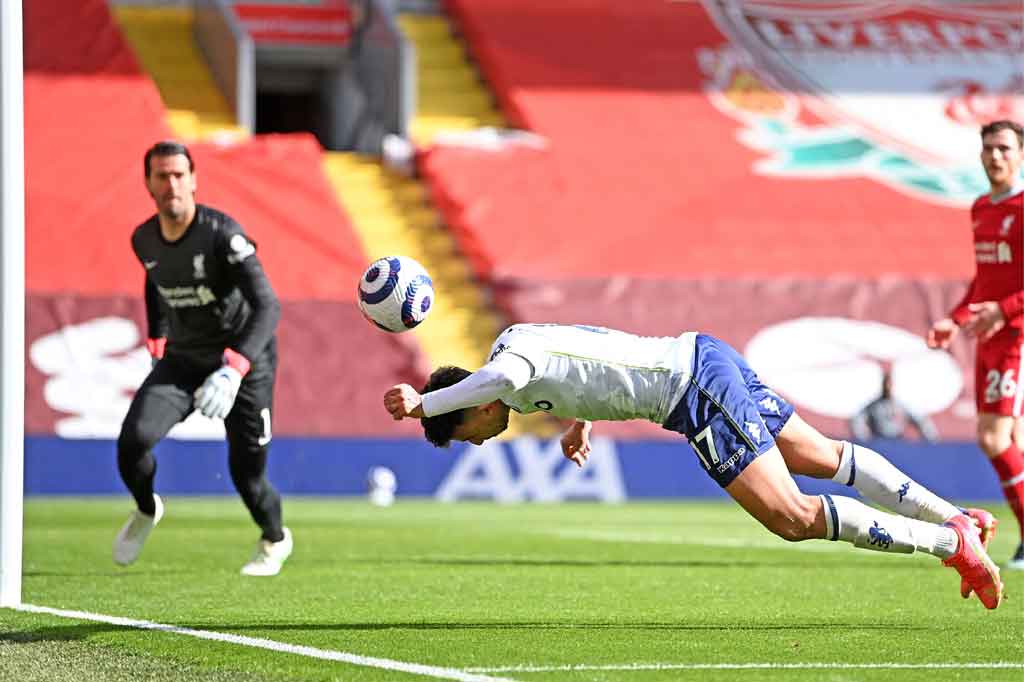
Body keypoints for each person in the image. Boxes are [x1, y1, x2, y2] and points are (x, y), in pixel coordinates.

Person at [385, 324, 1003, 609]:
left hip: (692, 390)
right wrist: (583, 419)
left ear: (469, 407)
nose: (480, 443)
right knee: (826, 458)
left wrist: (424, 403)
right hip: (703, 354)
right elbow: (595, 354)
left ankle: (948, 542)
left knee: (791, 516)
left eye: (466, 436)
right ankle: (959, 516)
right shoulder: (519, 374)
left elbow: (504, 375)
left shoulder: (506, 365)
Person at [113, 141, 292, 577]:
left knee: (246, 476)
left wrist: (235, 368)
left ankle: (274, 539)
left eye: (179, 175)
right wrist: (157, 333)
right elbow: (156, 280)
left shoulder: (222, 235)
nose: (171, 184)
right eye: (162, 176)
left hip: (244, 364)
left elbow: (268, 306)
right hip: (184, 358)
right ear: (148, 183)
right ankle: (146, 507)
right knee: (132, 443)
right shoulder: (143, 238)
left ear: (193, 180)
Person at [927, 119, 1024, 571]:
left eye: (1004, 148)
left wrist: (1003, 312)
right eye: (988, 148)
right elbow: (985, 280)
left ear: (1020, 155)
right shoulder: (982, 207)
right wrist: (956, 318)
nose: (995, 156)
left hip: (1017, 337)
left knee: (992, 437)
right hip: (990, 334)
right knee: (1012, 441)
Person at [849, 369, 939, 443]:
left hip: (898, 442)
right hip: (878, 443)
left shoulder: (901, 406)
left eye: (889, 385)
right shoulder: (873, 406)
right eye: (885, 384)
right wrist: (863, 439)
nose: (887, 388)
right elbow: (857, 420)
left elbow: (920, 420)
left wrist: (931, 440)